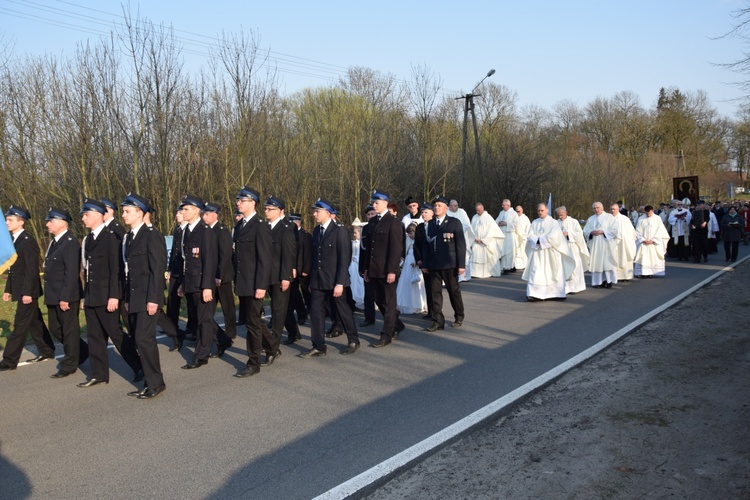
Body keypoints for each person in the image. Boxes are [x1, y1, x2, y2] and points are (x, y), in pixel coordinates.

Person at [77, 199, 143, 387]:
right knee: (94, 337)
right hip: (92, 296)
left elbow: (116, 269)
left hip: (107, 296)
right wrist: (85, 296)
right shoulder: (88, 239)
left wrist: (114, 295)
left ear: (98, 215)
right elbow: (88, 271)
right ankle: (99, 374)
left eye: (86, 215)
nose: (83, 218)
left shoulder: (111, 238)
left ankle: (139, 366)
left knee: (116, 334)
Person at [120, 193, 167, 399]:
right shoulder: (130, 237)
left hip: (149, 296)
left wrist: (154, 299)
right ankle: (151, 382)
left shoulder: (151, 235)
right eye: (123, 211)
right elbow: (131, 272)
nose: (123, 215)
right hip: (135, 297)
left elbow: (157, 270)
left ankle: (155, 383)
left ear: (140, 213)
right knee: (140, 340)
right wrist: (128, 299)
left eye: (127, 211)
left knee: (143, 338)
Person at [300, 198, 359, 357]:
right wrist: (313, 280)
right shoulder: (316, 231)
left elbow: (344, 258)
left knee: (343, 311)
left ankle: (353, 340)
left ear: (327, 212)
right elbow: (315, 258)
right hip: (319, 280)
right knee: (316, 313)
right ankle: (318, 345)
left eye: (317, 211)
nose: (314, 214)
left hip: (335, 280)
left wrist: (340, 283)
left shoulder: (339, 230)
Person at [0, 205, 56, 371]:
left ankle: (9, 360)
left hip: (27, 291)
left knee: (20, 325)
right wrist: (8, 289)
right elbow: (14, 268)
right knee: (34, 322)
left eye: (10, 220)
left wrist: (27, 293)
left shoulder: (28, 241)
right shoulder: (14, 241)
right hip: (20, 289)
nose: (6, 222)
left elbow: (31, 270)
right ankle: (47, 350)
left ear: (21, 221)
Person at [232, 186, 274, 378]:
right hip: (243, 281)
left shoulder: (260, 226)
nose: (238, 203)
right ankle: (272, 347)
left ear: (252, 202)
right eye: (238, 200)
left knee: (252, 324)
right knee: (254, 320)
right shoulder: (240, 226)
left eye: (242, 200)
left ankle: (253, 362)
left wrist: (261, 286)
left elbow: (264, 260)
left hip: (255, 283)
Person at [43, 207, 88, 378]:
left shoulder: (69, 242)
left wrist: (65, 297)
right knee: (55, 328)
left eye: (51, 221)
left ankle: (70, 364)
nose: (47, 224)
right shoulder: (55, 242)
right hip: (53, 294)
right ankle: (82, 351)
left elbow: (71, 273)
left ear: (62, 223)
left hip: (66, 295)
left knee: (69, 330)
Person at [178, 194, 219, 370]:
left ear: (196, 210)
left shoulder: (205, 230)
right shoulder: (188, 230)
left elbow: (209, 261)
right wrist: (183, 283)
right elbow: (186, 260)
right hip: (191, 282)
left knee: (203, 321)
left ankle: (201, 355)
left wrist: (207, 286)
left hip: (202, 283)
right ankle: (222, 341)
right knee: (204, 319)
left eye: (186, 209)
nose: (183, 212)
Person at [360, 189, 405, 347]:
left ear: (385, 203)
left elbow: (395, 249)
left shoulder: (394, 222)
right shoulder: (372, 222)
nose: (374, 205)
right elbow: (368, 250)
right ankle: (397, 325)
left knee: (389, 302)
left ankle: (386, 335)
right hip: (374, 269)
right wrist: (366, 269)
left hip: (387, 270)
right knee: (380, 301)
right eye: (373, 202)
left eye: (377, 202)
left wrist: (392, 270)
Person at [263, 196, 298, 366]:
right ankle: (294, 332)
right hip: (266, 275)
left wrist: (286, 277)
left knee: (277, 311)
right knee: (282, 309)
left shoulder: (287, 228)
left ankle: (273, 347)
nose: (267, 212)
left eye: (271, 209)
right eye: (266, 209)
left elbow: (288, 254)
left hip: (279, 276)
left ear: (281, 211)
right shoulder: (265, 227)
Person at [422, 196, 466, 332]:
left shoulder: (454, 222)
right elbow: (427, 246)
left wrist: (461, 265)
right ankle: (437, 321)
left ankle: (459, 315)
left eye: (439, 205)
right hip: (434, 265)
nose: (436, 208)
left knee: (454, 291)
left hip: (449, 264)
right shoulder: (431, 224)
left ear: (446, 208)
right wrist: (425, 264)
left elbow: (460, 245)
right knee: (435, 293)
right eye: (435, 205)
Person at [201, 202, 237, 353]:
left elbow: (225, 255)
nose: (204, 217)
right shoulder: (205, 231)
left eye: (207, 214)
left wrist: (219, 275)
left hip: (222, 276)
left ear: (215, 214)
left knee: (227, 305)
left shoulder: (222, 231)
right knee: (208, 308)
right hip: (210, 276)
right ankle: (213, 335)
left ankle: (230, 332)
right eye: (203, 214)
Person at [522, 204, 575, 301]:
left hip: (551, 252)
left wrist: (539, 239)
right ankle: (534, 294)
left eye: (542, 210)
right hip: (537, 252)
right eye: (538, 210)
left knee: (553, 272)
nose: (540, 212)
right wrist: (538, 240)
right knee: (536, 271)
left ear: (547, 210)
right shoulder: (534, 222)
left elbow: (554, 237)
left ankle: (556, 293)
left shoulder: (553, 223)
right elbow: (530, 235)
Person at [166, 207, 189, 350]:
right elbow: (174, 253)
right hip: (175, 272)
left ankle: (195, 330)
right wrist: (169, 269)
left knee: (193, 307)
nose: (177, 215)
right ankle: (174, 332)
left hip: (186, 272)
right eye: (177, 212)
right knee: (172, 303)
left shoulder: (190, 230)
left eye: (181, 212)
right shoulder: (178, 230)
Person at [287, 212, 312, 341]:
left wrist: (306, 269)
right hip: (292, 270)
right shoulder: (289, 234)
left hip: (303, 269)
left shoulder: (305, 235)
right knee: (294, 293)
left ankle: (309, 310)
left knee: (306, 291)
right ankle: (301, 314)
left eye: (294, 222)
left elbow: (308, 253)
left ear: (299, 222)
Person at [583, 202, 619, 289]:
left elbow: (615, 229)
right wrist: (592, 232)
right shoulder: (591, 219)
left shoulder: (609, 217)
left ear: (602, 208)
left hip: (606, 243)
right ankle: (597, 282)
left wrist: (603, 232)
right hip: (595, 244)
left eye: (598, 208)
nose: (596, 209)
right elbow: (585, 230)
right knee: (597, 263)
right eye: (594, 208)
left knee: (607, 262)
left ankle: (608, 281)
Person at [556, 206, 590, 294]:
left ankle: (575, 287)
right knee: (563, 267)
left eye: (562, 215)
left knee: (575, 266)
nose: (560, 217)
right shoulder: (556, 223)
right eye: (559, 215)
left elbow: (579, 234)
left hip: (572, 247)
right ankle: (565, 287)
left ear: (566, 213)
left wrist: (568, 234)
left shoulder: (573, 222)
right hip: (561, 248)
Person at [396, 222, 428, 314]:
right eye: (408, 233)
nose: (409, 235)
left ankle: (418, 303)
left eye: (411, 233)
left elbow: (419, 252)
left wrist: (417, 261)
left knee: (417, 282)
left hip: (415, 261)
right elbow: (405, 251)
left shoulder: (420, 241)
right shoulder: (407, 240)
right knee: (406, 281)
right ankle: (407, 302)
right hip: (408, 262)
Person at [634, 205, 671, 278]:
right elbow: (638, 231)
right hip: (643, 243)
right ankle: (642, 273)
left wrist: (653, 240)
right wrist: (643, 239)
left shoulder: (657, 218)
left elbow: (660, 230)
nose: (648, 215)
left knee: (652, 258)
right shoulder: (641, 219)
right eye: (647, 213)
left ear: (652, 211)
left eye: (650, 213)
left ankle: (651, 272)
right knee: (643, 258)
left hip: (653, 243)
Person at [413, 202, 435, 321]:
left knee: (434, 288)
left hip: (434, 261)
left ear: (432, 212)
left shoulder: (435, 225)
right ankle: (430, 311)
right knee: (427, 286)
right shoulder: (420, 227)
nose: (423, 214)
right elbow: (416, 245)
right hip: (424, 262)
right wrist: (419, 259)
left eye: (426, 212)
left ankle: (436, 311)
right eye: (422, 212)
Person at [469, 202, 503, 278]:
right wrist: (474, 238)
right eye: (476, 210)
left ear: (483, 209)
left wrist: (483, 240)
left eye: (479, 210)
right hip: (476, 241)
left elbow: (492, 230)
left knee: (489, 257)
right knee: (475, 255)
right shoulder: (474, 217)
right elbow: (471, 229)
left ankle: (488, 272)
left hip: (485, 242)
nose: (477, 212)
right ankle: (475, 273)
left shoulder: (488, 218)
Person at [358, 205, 377, 327]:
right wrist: (361, 268)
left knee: (382, 296)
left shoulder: (380, 226)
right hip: (367, 267)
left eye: (372, 214)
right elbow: (362, 250)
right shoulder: (364, 229)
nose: (370, 216)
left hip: (378, 266)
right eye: (368, 214)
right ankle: (369, 318)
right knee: (368, 294)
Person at [447, 199, 473, 281]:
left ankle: (464, 276)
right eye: (454, 206)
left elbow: (467, 224)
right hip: (450, 238)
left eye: (457, 205)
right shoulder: (446, 212)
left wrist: (458, 228)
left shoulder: (462, 212)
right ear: (450, 206)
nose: (456, 207)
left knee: (463, 255)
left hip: (461, 236)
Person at [610, 203, 637, 281]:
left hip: (623, 243)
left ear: (618, 209)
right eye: (611, 209)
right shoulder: (607, 219)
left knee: (624, 257)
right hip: (612, 243)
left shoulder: (624, 219)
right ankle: (613, 277)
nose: (612, 211)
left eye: (614, 209)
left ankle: (625, 276)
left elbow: (630, 232)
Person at [495, 199, 518, 275]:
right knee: (503, 251)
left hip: (509, 235)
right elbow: (496, 221)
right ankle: (504, 267)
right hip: (502, 235)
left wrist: (506, 224)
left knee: (509, 252)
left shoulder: (514, 213)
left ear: (508, 205)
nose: (502, 206)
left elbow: (516, 225)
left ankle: (509, 267)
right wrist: (498, 223)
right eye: (502, 205)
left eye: (503, 205)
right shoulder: (501, 213)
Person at [349, 218, 367, 310]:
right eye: (354, 233)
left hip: (358, 263)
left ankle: (361, 298)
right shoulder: (353, 243)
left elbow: (360, 254)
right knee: (353, 282)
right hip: (353, 265)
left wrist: (355, 258)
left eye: (356, 233)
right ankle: (354, 298)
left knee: (360, 282)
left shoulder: (362, 243)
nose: (355, 235)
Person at [514, 205, 531, 271]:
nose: (518, 213)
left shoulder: (525, 218)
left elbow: (528, 228)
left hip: (523, 238)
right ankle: (516, 265)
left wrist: (525, 236)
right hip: (516, 238)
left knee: (523, 252)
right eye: (516, 211)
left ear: (522, 210)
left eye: (519, 211)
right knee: (516, 252)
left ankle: (524, 264)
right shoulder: (514, 218)